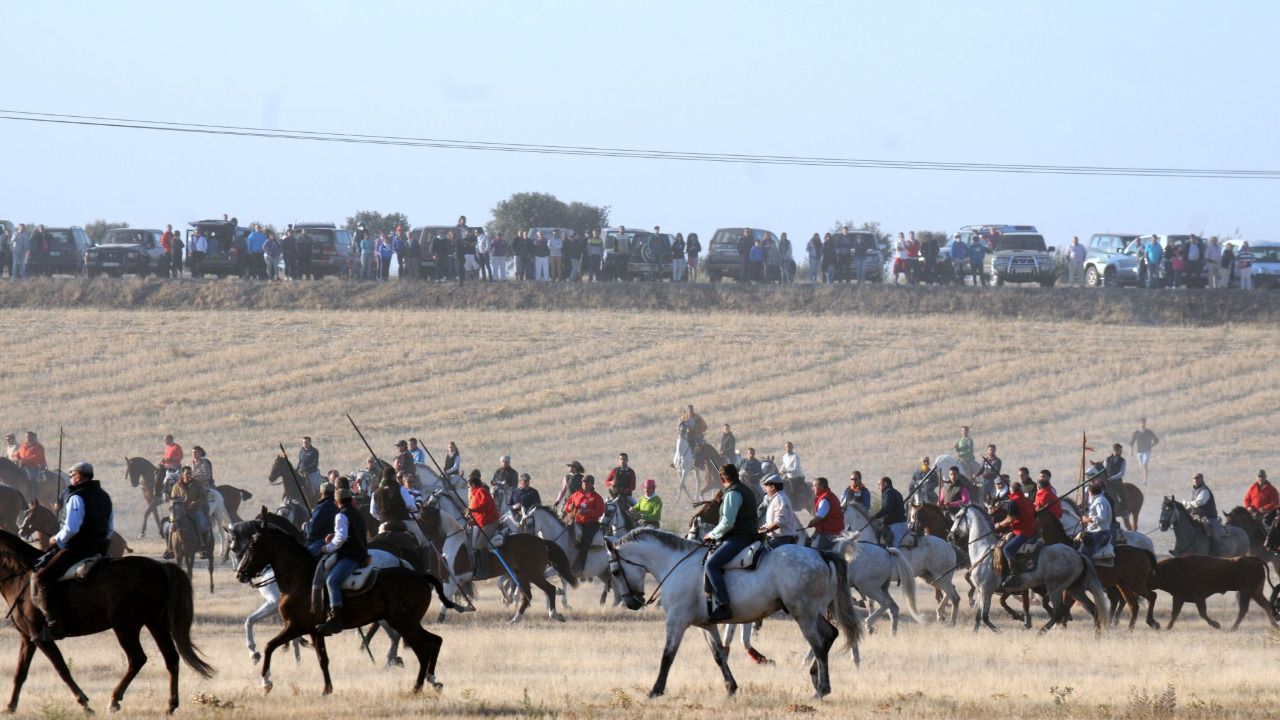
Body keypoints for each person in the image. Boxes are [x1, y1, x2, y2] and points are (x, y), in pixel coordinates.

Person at [31, 462, 113, 641]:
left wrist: (56, 539)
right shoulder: (104, 496)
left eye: (71, 476)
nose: (70, 479)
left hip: (78, 548)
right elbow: (110, 527)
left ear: (78, 477)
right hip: (100, 547)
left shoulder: (76, 497)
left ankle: (55, 626)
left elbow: (72, 528)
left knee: (42, 577)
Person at [701, 464, 760, 621]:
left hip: (739, 537)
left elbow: (728, 522)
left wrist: (711, 534)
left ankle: (723, 606)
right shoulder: (745, 489)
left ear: (721, 479)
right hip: (746, 534)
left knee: (711, 565)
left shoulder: (733, 493)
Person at [315, 488, 368, 635]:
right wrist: (334, 535)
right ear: (350, 499)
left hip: (350, 555)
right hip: (361, 551)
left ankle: (336, 617)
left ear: (336, 502)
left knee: (332, 581)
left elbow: (342, 538)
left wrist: (327, 548)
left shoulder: (340, 515)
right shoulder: (356, 513)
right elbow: (349, 533)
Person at [994, 480, 1038, 588]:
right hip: (1031, 529)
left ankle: (1015, 576)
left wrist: (998, 525)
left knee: (1007, 550)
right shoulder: (1028, 500)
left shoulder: (1014, 502)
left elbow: (1010, 519)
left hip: (1022, 532)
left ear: (1011, 490)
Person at [563, 474, 605, 574]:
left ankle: (580, 566)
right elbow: (567, 506)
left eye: (587, 482)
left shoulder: (597, 497)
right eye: (583, 482)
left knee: (584, 543)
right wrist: (570, 507)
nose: (584, 484)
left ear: (592, 484)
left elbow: (600, 512)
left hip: (591, 524)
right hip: (577, 522)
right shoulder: (576, 494)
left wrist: (587, 512)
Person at [168, 466, 211, 559]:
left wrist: (195, 502)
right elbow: (172, 499)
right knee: (170, 526)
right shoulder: (176, 486)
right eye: (187, 473)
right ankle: (169, 549)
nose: (189, 475)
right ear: (182, 474)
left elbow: (203, 497)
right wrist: (177, 504)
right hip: (180, 512)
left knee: (202, 524)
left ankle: (202, 547)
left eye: (190, 473)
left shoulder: (197, 484)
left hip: (194, 510)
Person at [466, 473, 500, 574]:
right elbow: (477, 514)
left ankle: (486, 568)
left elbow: (485, 506)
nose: (469, 488)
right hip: (482, 523)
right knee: (474, 544)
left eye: (469, 486)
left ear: (472, 485)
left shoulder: (481, 491)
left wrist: (473, 509)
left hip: (491, 521)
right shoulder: (474, 495)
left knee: (480, 544)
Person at [759, 475, 802, 547]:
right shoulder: (776, 499)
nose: (765, 489)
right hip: (777, 538)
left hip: (780, 540)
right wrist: (760, 529)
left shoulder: (779, 500)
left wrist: (765, 530)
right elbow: (772, 522)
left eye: (766, 486)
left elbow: (779, 522)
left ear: (772, 487)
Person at [807, 477, 843, 552]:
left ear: (821, 486)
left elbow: (820, 517)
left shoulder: (825, 499)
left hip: (830, 532)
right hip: (830, 529)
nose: (812, 488)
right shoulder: (829, 495)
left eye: (814, 486)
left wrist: (811, 523)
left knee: (820, 552)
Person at [1183, 473, 1223, 541]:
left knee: (1212, 535)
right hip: (1198, 517)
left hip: (1208, 517)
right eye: (1194, 479)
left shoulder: (1204, 490)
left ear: (1201, 479)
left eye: (1198, 478)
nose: (1196, 480)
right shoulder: (1195, 491)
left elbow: (1200, 502)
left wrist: (1188, 504)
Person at [1079, 483, 1113, 560]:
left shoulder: (1099, 501)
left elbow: (1101, 518)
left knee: (1085, 553)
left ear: (1091, 492)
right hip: (1096, 532)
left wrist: (1086, 519)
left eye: (1089, 493)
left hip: (1100, 534)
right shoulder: (1098, 500)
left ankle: (1090, 571)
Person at [305, 482, 338, 557]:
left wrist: (305, 527)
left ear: (321, 493)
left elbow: (313, 528)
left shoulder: (322, 507)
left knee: (304, 556)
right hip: (336, 538)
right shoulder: (338, 503)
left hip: (323, 539)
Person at [873, 477, 908, 547]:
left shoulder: (888, 492)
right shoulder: (897, 492)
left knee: (894, 549)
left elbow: (886, 508)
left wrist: (875, 516)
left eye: (879, 484)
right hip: (902, 523)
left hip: (895, 525)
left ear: (885, 483)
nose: (878, 487)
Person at [1129, 418, 1159, 484]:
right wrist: (1131, 452)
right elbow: (1132, 442)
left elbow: (1156, 440)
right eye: (1141, 423)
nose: (1142, 424)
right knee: (1141, 466)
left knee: (1145, 464)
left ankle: (1145, 480)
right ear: (1139, 424)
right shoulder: (1136, 433)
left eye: (1143, 423)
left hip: (1147, 451)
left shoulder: (1149, 432)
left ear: (1145, 423)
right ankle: (1142, 478)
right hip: (1139, 452)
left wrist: (1151, 445)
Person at [1104, 443, 1129, 518]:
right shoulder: (1107, 459)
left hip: (1117, 481)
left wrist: (1112, 478)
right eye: (1120, 450)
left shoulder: (1122, 461)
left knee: (1123, 494)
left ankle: (1124, 510)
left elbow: (1121, 473)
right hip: (1107, 481)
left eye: (1121, 450)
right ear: (1116, 450)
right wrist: (1106, 478)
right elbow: (1104, 470)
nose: (1121, 452)